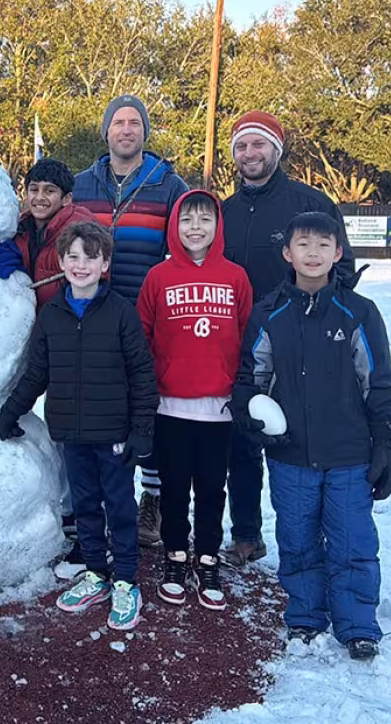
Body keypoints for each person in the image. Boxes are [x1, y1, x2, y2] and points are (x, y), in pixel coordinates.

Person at [231, 211, 391, 661]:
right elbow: (253, 374)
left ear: (338, 253)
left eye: (323, 245)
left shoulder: (359, 312)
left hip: (349, 455)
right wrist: (249, 413)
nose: (313, 253)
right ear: (287, 253)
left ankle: (358, 623)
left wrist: (386, 441)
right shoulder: (270, 312)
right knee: (298, 539)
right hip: (290, 455)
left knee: (352, 541)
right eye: (303, 245)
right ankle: (305, 617)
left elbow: (377, 381)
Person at [0, 221, 158, 632]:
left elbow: (141, 372)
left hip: (115, 434)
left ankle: (124, 578)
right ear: (62, 263)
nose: (80, 264)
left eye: (90, 257)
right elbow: (37, 373)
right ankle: (95, 573)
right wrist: (11, 411)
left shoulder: (121, 312)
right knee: (84, 505)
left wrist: (142, 430)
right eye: (73, 257)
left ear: (105, 263)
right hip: (72, 432)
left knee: (119, 507)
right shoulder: (52, 314)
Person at [219, 110, 358, 568]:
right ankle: (245, 533)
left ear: (276, 150)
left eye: (258, 145)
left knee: (296, 440)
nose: (249, 154)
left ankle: (310, 542)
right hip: (234, 342)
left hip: (295, 343)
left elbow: (342, 273)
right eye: (241, 146)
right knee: (242, 437)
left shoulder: (308, 205)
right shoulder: (225, 211)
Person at [71, 94, 188, 549]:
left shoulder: (169, 184)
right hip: (91, 314)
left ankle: (152, 500)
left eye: (134, 123)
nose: (125, 129)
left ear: (145, 132)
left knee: (146, 406)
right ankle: (96, 499)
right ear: (106, 131)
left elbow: (185, 246)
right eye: (117, 122)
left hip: (147, 313)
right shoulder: (82, 184)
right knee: (97, 408)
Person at [137, 191, 252, 611]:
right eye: (187, 220)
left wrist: (238, 389)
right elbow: (144, 338)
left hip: (218, 409)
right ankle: (174, 555)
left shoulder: (236, 277)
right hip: (171, 406)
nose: (196, 227)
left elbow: (245, 334)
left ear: (218, 225)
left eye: (205, 219)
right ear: (174, 226)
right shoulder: (158, 277)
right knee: (172, 488)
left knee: (211, 488)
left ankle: (206, 556)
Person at [13, 158, 95, 308]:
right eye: (34, 189)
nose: (39, 197)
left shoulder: (80, 234)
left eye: (49, 191)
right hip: (22, 320)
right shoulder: (18, 231)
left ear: (66, 199)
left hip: (63, 323)